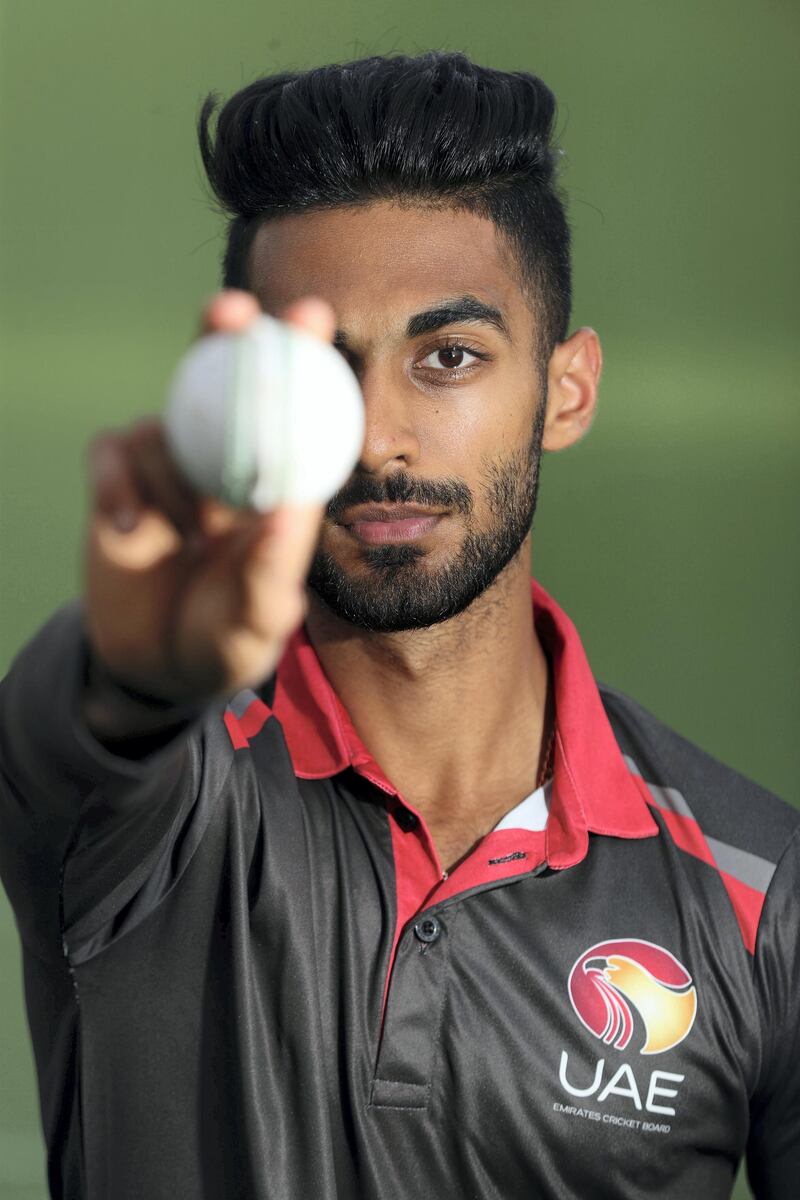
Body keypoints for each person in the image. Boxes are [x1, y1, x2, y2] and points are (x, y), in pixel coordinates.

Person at [0, 49, 797, 1200]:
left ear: (565, 391)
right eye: (318, 374)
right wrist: (136, 668)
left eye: (449, 358)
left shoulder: (754, 892)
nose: (377, 438)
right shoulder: (147, 811)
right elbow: (58, 739)